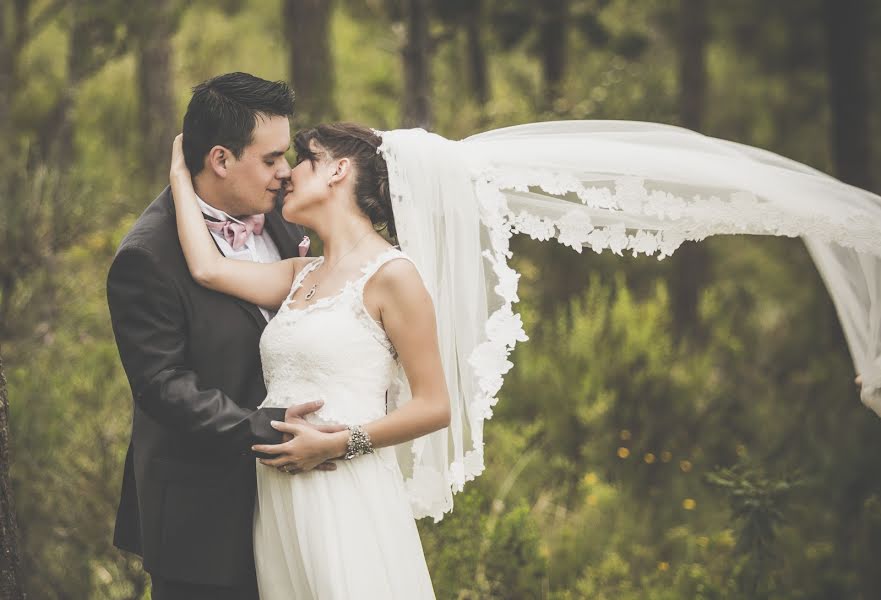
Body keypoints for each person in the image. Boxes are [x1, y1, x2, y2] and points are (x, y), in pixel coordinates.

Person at [168, 123, 449, 598]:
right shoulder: (302, 272)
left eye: (304, 159)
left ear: (338, 170)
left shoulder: (392, 276)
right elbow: (207, 269)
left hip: (345, 489)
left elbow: (434, 405)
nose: (287, 175)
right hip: (279, 500)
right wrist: (181, 173)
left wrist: (339, 443)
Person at [107, 72, 338, 600]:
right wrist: (269, 428)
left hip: (297, 507)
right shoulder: (145, 257)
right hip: (202, 519)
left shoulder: (284, 217)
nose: (285, 173)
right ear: (220, 159)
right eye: (272, 158)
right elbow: (164, 386)